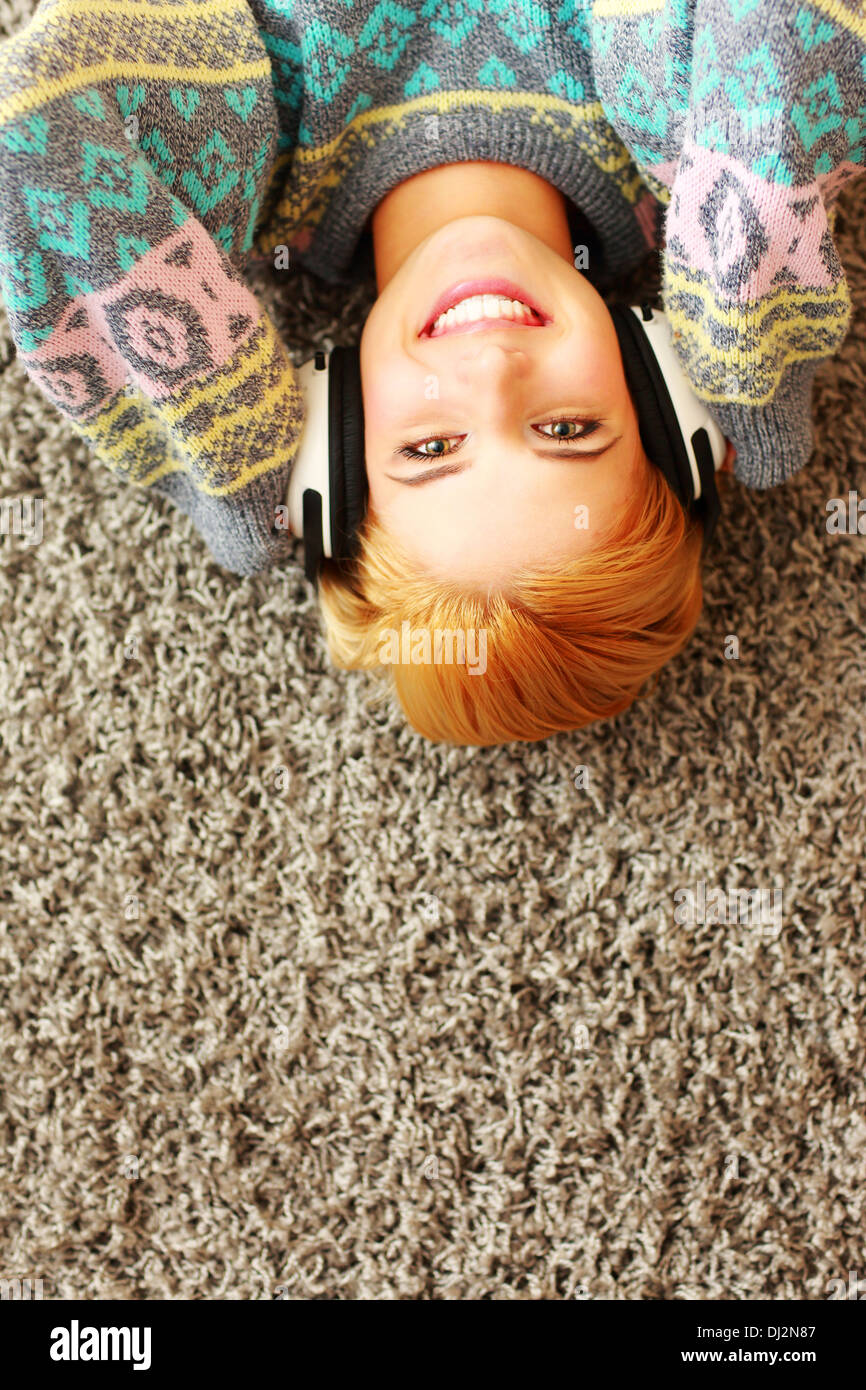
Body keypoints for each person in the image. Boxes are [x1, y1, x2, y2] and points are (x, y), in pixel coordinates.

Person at [0, 1, 862, 744]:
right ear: (661, 393)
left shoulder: (252, 143)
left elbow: (36, 125)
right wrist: (752, 344)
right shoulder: (663, 119)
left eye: (431, 446)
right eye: (567, 430)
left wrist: (229, 460)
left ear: (330, 442)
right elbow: (783, 38)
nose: (492, 371)